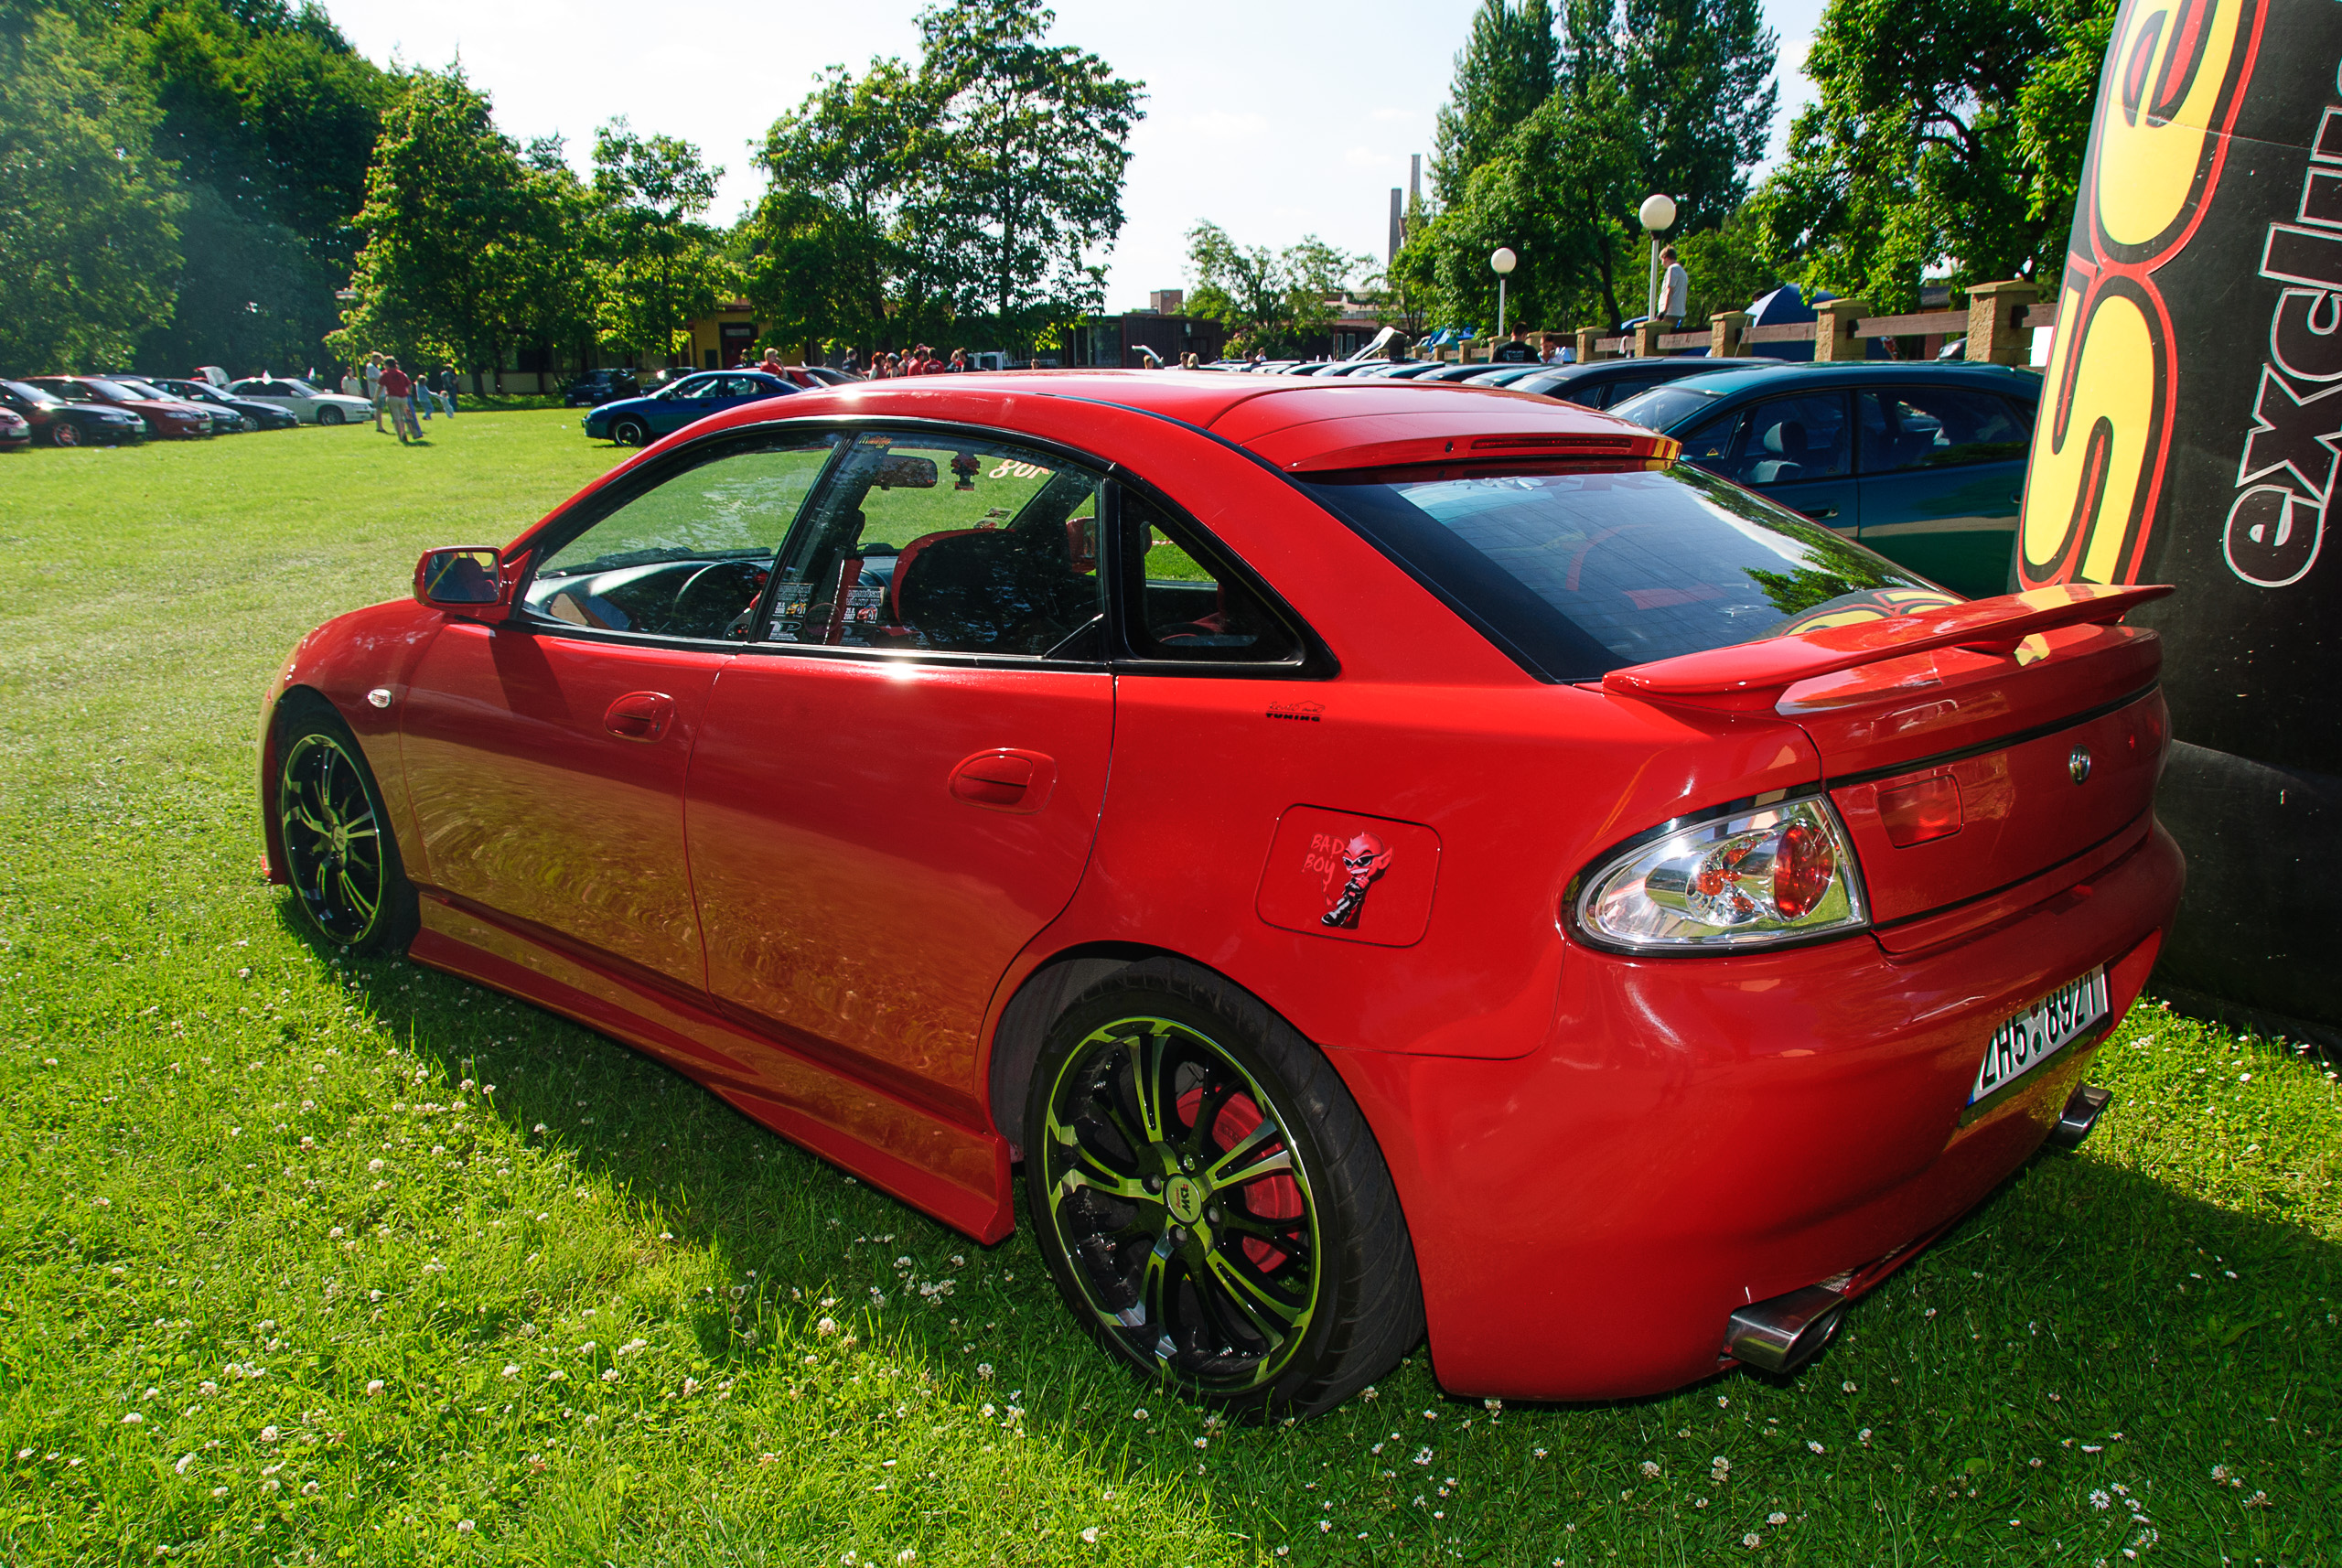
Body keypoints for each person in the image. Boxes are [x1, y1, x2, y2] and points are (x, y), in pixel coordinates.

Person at [379, 357, 420, 444]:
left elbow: (380, 386)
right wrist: (408, 393)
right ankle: (408, 432)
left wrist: (376, 397)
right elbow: (409, 386)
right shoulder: (402, 374)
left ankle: (401, 435)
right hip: (403, 398)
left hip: (392, 397)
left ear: (387, 365)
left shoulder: (385, 374)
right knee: (404, 416)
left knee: (396, 418)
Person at [1658, 245, 1689, 329]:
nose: (1662, 263)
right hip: (1680, 312)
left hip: (1670, 313)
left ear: (1666, 258)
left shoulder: (1672, 269)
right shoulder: (1682, 272)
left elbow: (1670, 290)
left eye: (1662, 260)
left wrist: (1664, 311)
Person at [363, 353, 385, 432]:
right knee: (378, 409)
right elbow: (371, 378)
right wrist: (382, 380)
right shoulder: (370, 367)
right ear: (375, 358)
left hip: (381, 391)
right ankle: (379, 427)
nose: (380, 361)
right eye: (379, 359)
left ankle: (380, 425)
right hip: (375, 391)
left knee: (380, 409)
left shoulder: (376, 367)